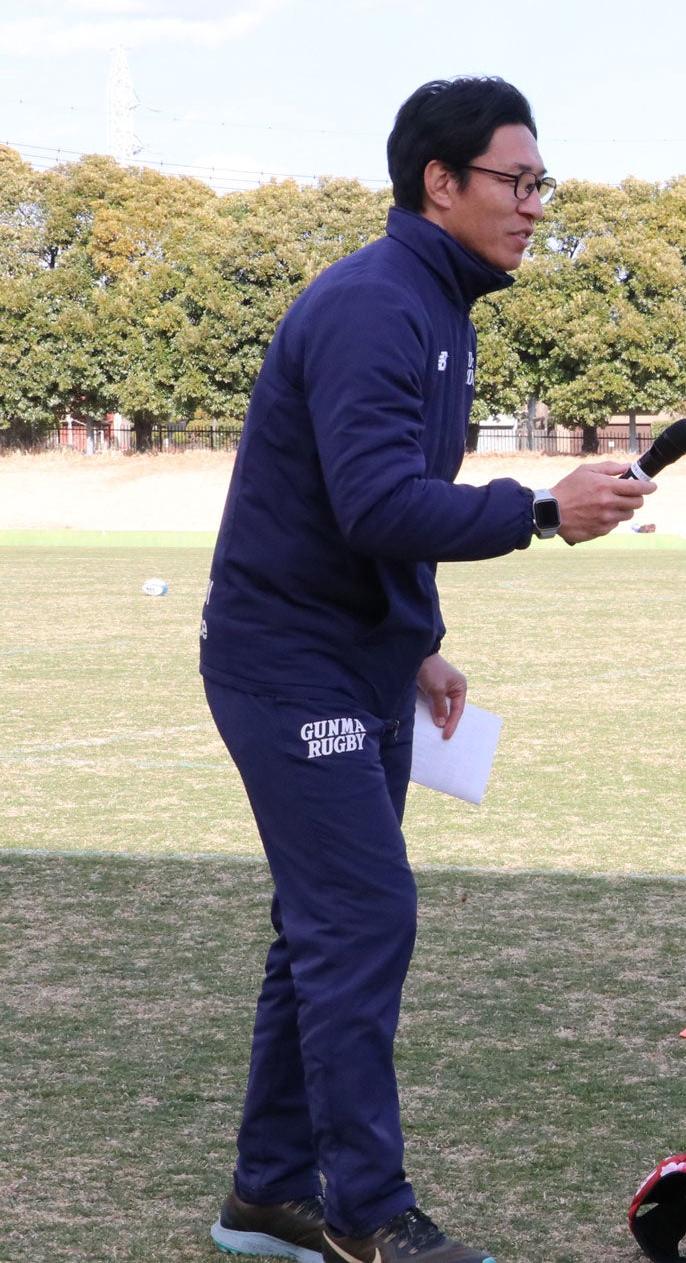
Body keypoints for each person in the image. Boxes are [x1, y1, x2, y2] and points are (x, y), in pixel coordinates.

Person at [199, 78, 652, 1263]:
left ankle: (268, 1191)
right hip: (288, 666)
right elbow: (372, 499)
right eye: (517, 180)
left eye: (541, 181)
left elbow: (364, 513)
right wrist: (547, 508)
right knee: (361, 916)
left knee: (319, 933)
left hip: (358, 661)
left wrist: (417, 643)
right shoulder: (373, 304)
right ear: (438, 182)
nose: (536, 205)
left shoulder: (439, 304)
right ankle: (366, 1213)